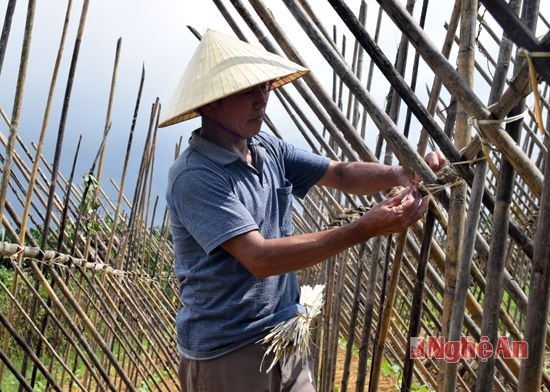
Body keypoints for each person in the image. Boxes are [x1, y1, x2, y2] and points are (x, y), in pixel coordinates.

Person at [159, 29, 445, 392]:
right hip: (230, 354)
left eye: (264, 87)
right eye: (246, 90)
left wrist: (400, 173)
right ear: (209, 104)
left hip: (285, 335)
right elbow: (259, 257)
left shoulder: (265, 148)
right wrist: (364, 228)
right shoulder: (195, 175)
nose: (261, 99)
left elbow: (339, 173)